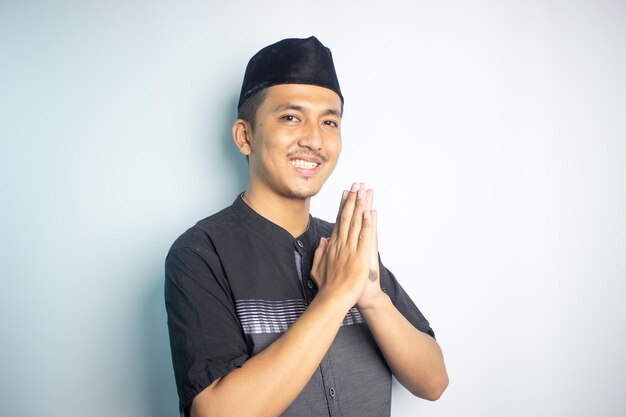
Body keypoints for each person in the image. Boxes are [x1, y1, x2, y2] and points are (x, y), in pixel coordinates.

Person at [165, 36, 448, 417]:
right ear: (245, 136)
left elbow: (433, 382)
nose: (314, 139)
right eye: (291, 117)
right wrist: (334, 298)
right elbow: (216, 412)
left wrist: (370, 298)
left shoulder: (347, 246)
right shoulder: (201, 254)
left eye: (329, 121)